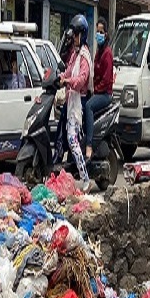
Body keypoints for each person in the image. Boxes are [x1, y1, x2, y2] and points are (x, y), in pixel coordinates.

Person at [60, 14, 94, 184]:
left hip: (79, 103)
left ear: (82, 35)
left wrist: (68, 81)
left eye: (75, 35)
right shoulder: (75, 54)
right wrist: (59, 77)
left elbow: (81, 79)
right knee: (68, 137)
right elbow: (68, 70)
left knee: (73, 140)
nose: (73, 38)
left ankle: (86, 179)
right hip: (70, 100)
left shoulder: (85, 56)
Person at [85, 18, 115, 150]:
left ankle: (89, 143)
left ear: (106, 34)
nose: (99, 35)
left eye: (101, 32)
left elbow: (106, 79)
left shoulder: (107, 53)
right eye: (97, 32)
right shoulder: (98, 52)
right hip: (97, 91)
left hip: (105, 94)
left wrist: (96, 89)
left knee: (89, 106)